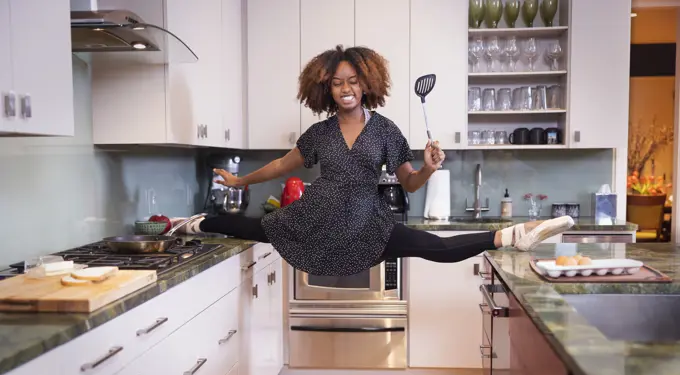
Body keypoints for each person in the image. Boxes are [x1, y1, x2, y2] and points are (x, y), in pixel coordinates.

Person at [173, 45, 573, 276]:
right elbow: (282, 166)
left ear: (366, 83)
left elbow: (409, 182)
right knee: (254, 228)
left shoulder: (386, 131)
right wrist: (238, 182)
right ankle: (194, 222)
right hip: (318, 216)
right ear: (326, 88)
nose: (345, 88)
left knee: (435, 247)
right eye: (337, 82)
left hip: (367, 222)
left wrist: (429, 168)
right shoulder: (319, 133)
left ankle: (512, 236)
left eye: (353, 81)